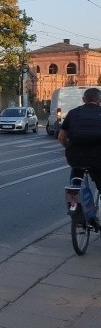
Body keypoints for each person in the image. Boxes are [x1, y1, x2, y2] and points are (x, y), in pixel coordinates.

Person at [58, 87, 101, 229]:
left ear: (83, 99)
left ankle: (75, 205)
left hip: (76, 156)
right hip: (97, 158)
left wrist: (68, 148)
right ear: (99, 100)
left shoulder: (73, 113)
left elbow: (61, 137)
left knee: (76, 179)